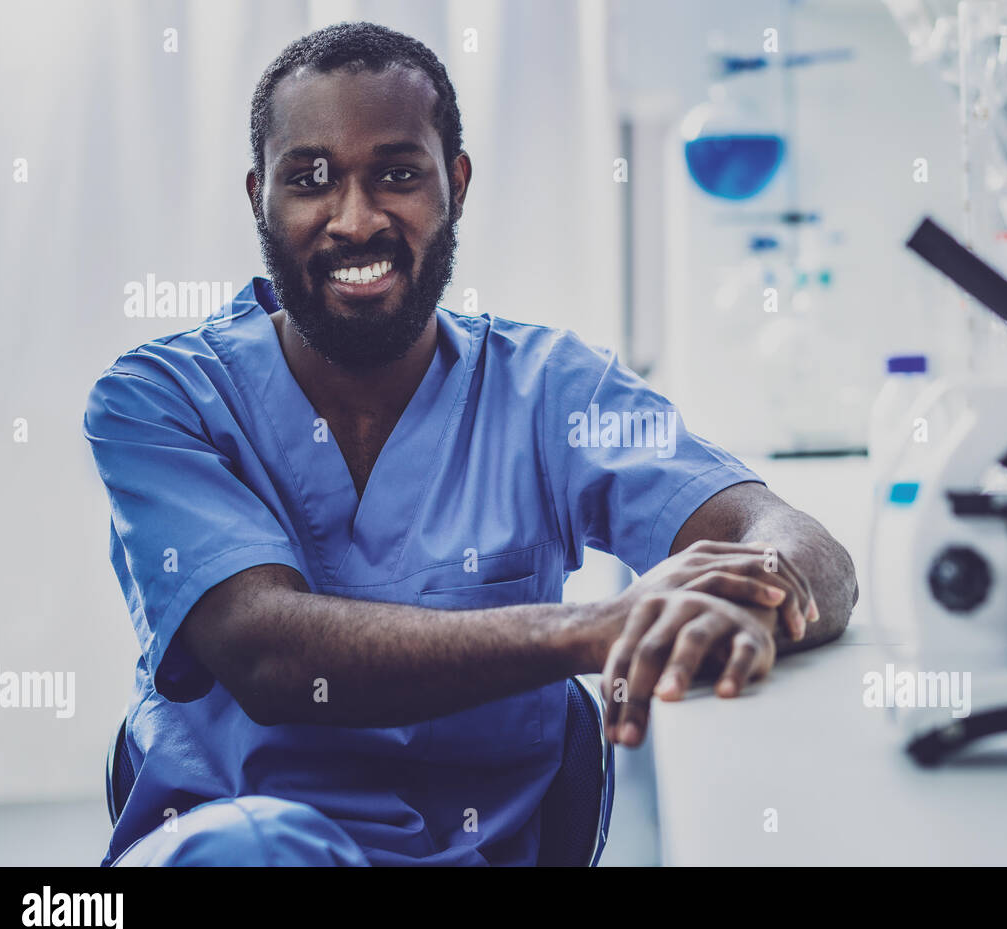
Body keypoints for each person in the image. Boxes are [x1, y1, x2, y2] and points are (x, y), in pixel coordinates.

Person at [83, 21, 858, 867]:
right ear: (258, 196)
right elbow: (268, 653)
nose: (354, 219)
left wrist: (754, 594)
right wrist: (603, 627)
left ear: (454, 184)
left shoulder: (547, 391)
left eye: (396, 175)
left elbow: (792, 539)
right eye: (310, 178)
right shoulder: (161, 402)